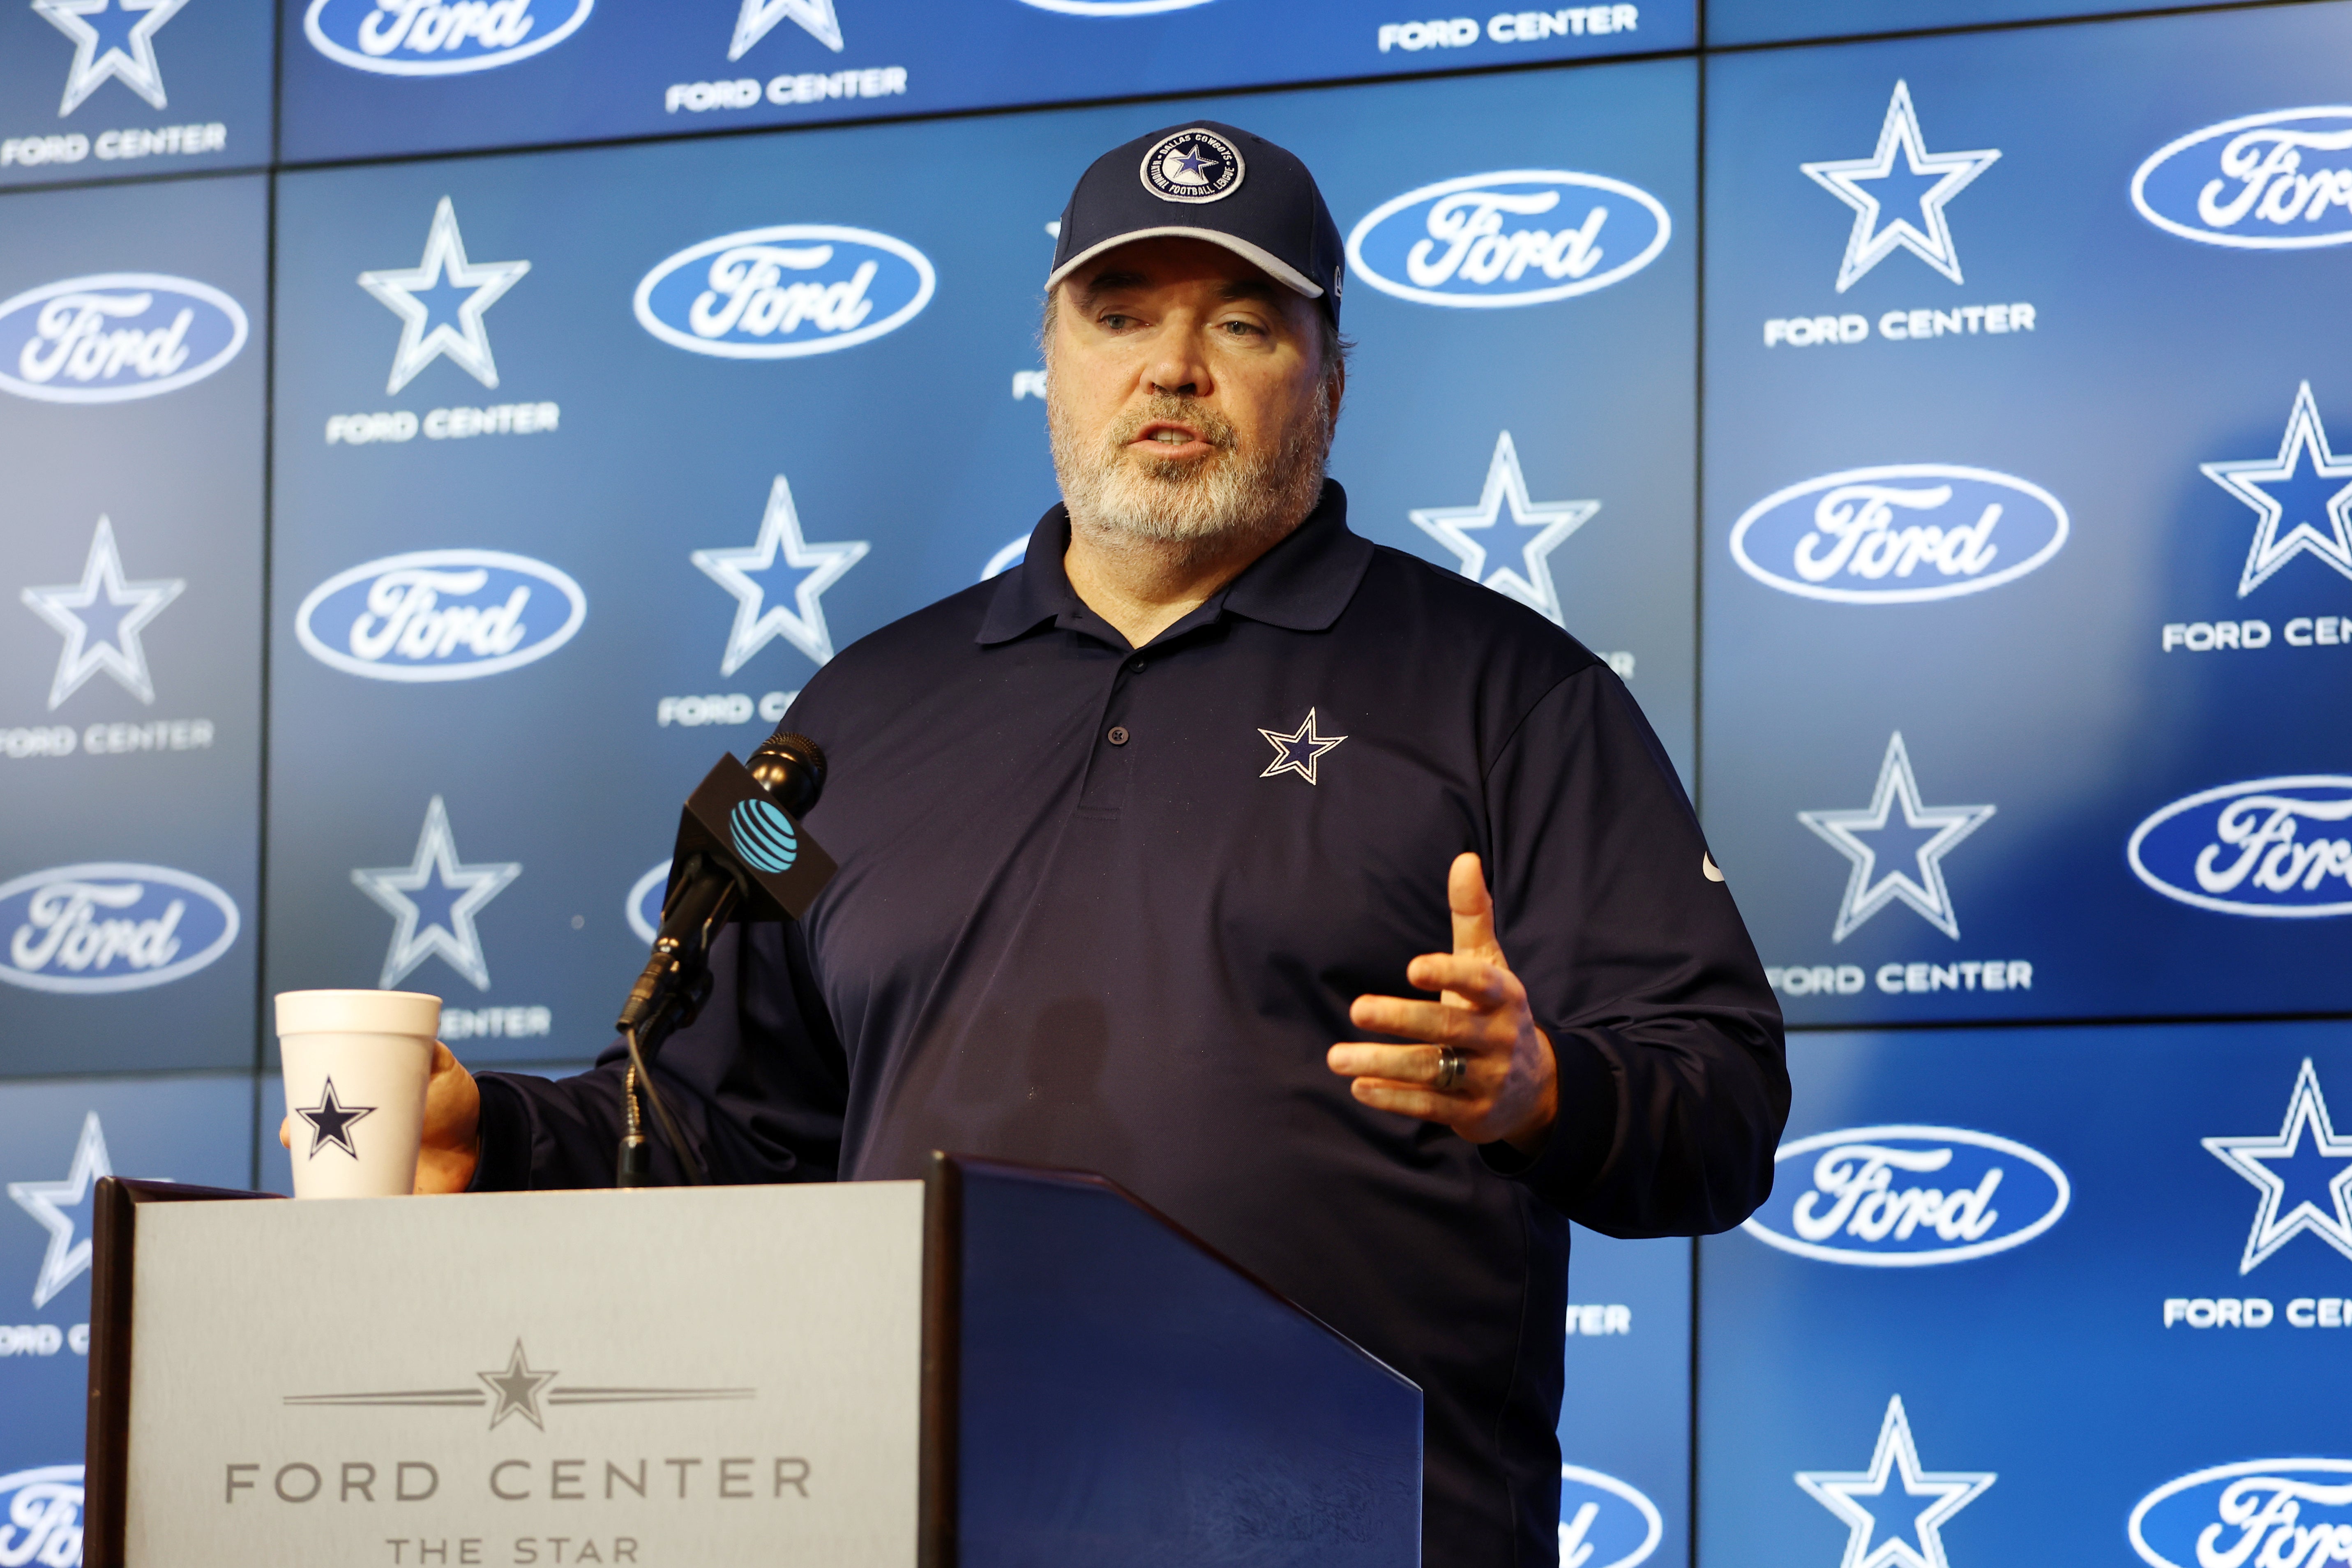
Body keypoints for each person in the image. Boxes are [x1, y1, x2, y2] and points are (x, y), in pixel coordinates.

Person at [339, 122, 1789, 1566]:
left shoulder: (1515, 691)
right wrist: (506, 1136)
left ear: (1331, 382)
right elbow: (715, 1114)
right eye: (1118, 318)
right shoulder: (840, 715)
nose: (1173, 367)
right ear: (1050, 362)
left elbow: (1719, 1100)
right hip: (918, 1515)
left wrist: (1544, 1093)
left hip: (1351, 1533)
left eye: (1240, 321)